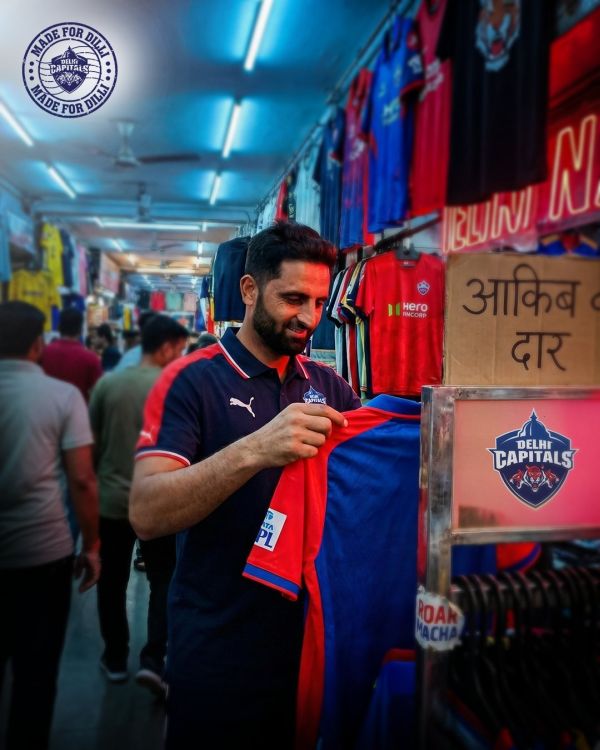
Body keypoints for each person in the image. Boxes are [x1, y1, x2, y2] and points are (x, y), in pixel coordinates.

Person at [130, 221, 361, 748]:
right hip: (217, 647)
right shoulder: (190, 379)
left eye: (319, 302)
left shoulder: (329, 386)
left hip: (311, 645)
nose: (309, 318)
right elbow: (146, 512)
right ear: (250, 289)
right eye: (293, 299)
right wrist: (255, 449)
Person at [0, 301, 100, 750]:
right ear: (38, 344)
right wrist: (92, 546)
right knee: (35, 673)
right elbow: (81, 480)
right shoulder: (62, 397)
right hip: (43, 554)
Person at [89, 315, 188, 690]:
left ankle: (115, 657)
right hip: (160, 500)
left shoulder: (109, 384)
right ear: (166, 347)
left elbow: (92, 445)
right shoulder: (177, 386)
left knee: (111, 582)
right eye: (179, 349)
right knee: (163, 580)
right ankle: (153, 658)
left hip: (113, 501)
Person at [40, 308, 102, 402]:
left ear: (59, 327)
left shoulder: (43, 353)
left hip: (47, 408)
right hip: (78, 409)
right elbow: (98, 394)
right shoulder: (91, 359)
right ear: (81, 330)